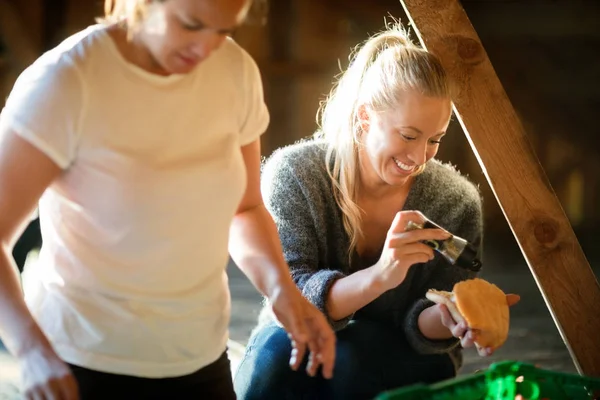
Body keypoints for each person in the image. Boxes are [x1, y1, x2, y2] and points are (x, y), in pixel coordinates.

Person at [0, 0, 336, 399]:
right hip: (83, 365)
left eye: (224, 30)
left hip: (201, 359)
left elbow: (244, 209)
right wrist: (30, 350)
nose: (206, 48)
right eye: (191, 24)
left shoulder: (236, 72)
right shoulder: (66, 82)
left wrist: (284, 293)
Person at [233, 22, 520, 400]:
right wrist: (381, 275)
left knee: (351, 361)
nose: (419, 157)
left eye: (435, 140)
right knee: (273, 358)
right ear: (365, 117)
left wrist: (453, 319)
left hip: (403, 351)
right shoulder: (295, 175)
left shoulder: (454, 200)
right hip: (299, 330)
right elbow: (291, 296)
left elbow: (423, 324)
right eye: (408, 135)